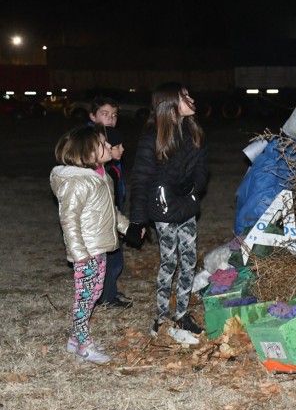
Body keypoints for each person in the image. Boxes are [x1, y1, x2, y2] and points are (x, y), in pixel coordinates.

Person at [50, 124, 144, 364]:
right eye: (102, 144)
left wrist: (127, 228)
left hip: (99, 247)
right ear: (88, 153)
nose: (107, 146)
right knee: (85, 298)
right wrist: (78, 253)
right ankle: (84, 345)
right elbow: (68, 220)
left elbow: (109, 211)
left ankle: (75, 338)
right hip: (87, 251)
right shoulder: (77, 182)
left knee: (93, 294)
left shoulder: (101, 176)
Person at [129, 82, 209, 337]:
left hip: (187, 206)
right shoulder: (152, 137)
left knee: (188, 264)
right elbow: (140, 180)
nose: (190, 98)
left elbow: (202, 167)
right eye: (184, 95)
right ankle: (162, 318)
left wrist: (194, 187)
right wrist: (138, 221)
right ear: (170, 105)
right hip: (164, 210)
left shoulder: (192, 131)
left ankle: (182, 315)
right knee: (169, 263)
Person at [234, 102, 296, 236]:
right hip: (254, 232)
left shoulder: (292, 160)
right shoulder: (273, 162)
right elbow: (259, 206)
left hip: (275, 225)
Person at [95, 126, 133, 309]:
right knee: (109, 263)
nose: (122, 149)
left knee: (114, 261)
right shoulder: (104, 172)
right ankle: (107, 298)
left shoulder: (111, 170)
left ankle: (109, 293)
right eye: (117, 146)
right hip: (105, 225)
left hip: (114, 220)